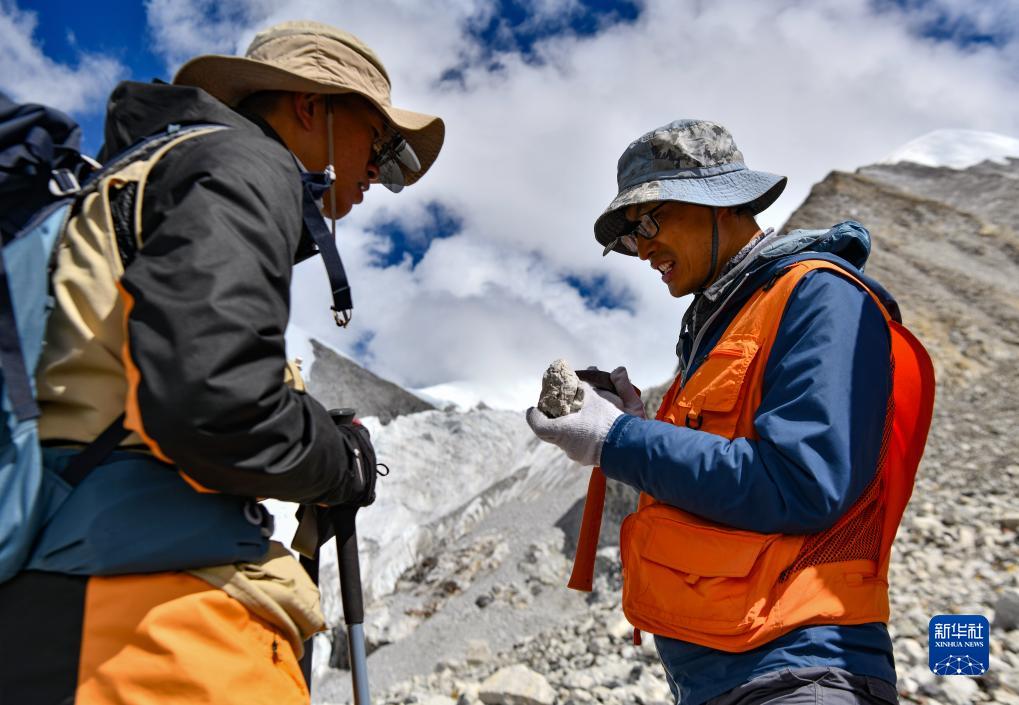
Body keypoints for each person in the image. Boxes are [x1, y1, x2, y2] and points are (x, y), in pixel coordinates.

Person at [0, 20, 443, 705]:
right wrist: (340, 460)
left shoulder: (138, 178)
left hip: (69, 600)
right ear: (309, 107)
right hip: (155, 621)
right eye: (382, 147)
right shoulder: (242, 163)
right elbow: (218, 401)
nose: (381, 176)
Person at [527, 120, 934, 705]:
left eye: (648, 222)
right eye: (629, 237)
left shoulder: (819, 296)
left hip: (800, 670)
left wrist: (617, 439)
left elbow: (804, 481)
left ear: (719, 202)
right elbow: (719, 479)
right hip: (730, 676)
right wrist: (636, 422)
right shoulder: (723, 326)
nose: (641, 250)